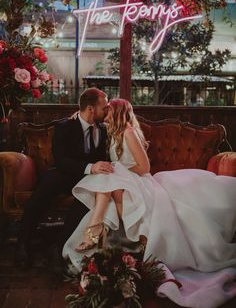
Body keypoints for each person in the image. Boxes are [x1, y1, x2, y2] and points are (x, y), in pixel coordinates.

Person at [63, 98, 236, 308]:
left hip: (139, 180)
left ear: (117, 113)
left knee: (110, 176)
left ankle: (97, 230)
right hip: (122, 183)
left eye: (108, 111)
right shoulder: (112, 131)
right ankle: (101, 231)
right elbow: (90, 122)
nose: (105, 114)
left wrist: (120, 171)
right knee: (108, 179)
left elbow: (144, 167)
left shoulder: (128, 131)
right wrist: (76, 117)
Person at [16, 87, 113, 269]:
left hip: (89, 181)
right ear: (91, 108)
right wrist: (90, 167)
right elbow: (61, 160)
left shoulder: (104, 129)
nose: (107, 110)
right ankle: (22, 243)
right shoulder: (64, 126)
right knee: (45, 187)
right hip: (66, 174)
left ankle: (58, 247)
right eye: (104, 107)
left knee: (85, 199)